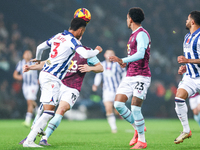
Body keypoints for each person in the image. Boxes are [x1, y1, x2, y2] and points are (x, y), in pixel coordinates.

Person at [22, 18, 102, 147]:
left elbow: (40, 47)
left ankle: (33, 136)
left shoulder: (59, 36)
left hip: (47, 75)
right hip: (52, 78)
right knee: (48, 112)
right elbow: (86, 54)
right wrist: (98, 50)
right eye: (83, 31)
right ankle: (29, 140)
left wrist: (38, 58)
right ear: (81, 30)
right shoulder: (72, 41)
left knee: (46, 109)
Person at [109, 7, 151, 149]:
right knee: (118, 104)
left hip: (141, 76)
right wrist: (123, 63)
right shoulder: (133, 35)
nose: (126, 20)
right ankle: (137, 128)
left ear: (131, 19)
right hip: (130, 75)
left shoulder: (142, 34)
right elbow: (134, 56)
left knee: (135, 108)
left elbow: (140, 54)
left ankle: (142, 141)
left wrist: (124, 59)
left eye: (127, 18)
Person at [174, 10, 200, 144]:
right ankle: (186, 130)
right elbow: (189, 58)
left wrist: (188, 61)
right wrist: (185, 66)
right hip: (191, 77)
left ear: (193, 21)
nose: (186, 21)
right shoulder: (187, 37)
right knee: (179, 97)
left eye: (188, 19)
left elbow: (191, 59)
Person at [92, 49, 126, 133]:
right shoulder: (102, 65)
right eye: (108, 54)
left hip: (118, 90)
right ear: (105, 55)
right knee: (108, 108)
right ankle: (113, 128)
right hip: (107, 90)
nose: (110, 55)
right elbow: (98, 75)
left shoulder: (118, 65)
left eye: (112, 54)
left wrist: (124, 84)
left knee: (118, 110)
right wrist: (95, 84)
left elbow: (124, 74)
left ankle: (119, 114)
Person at [13, 50, 39, 127]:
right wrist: (18, 77)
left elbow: (41, 70)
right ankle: (38, 111)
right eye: (26, 53)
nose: (27, 55)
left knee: (29, 102)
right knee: (31, 101)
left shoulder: (34, 62)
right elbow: (15, 74)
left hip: (33, 85)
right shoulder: (21, 63)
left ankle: (27, 121)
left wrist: (40, 79)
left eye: (29, 53)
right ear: (23, 55)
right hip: (25, 86)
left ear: (31, 55)